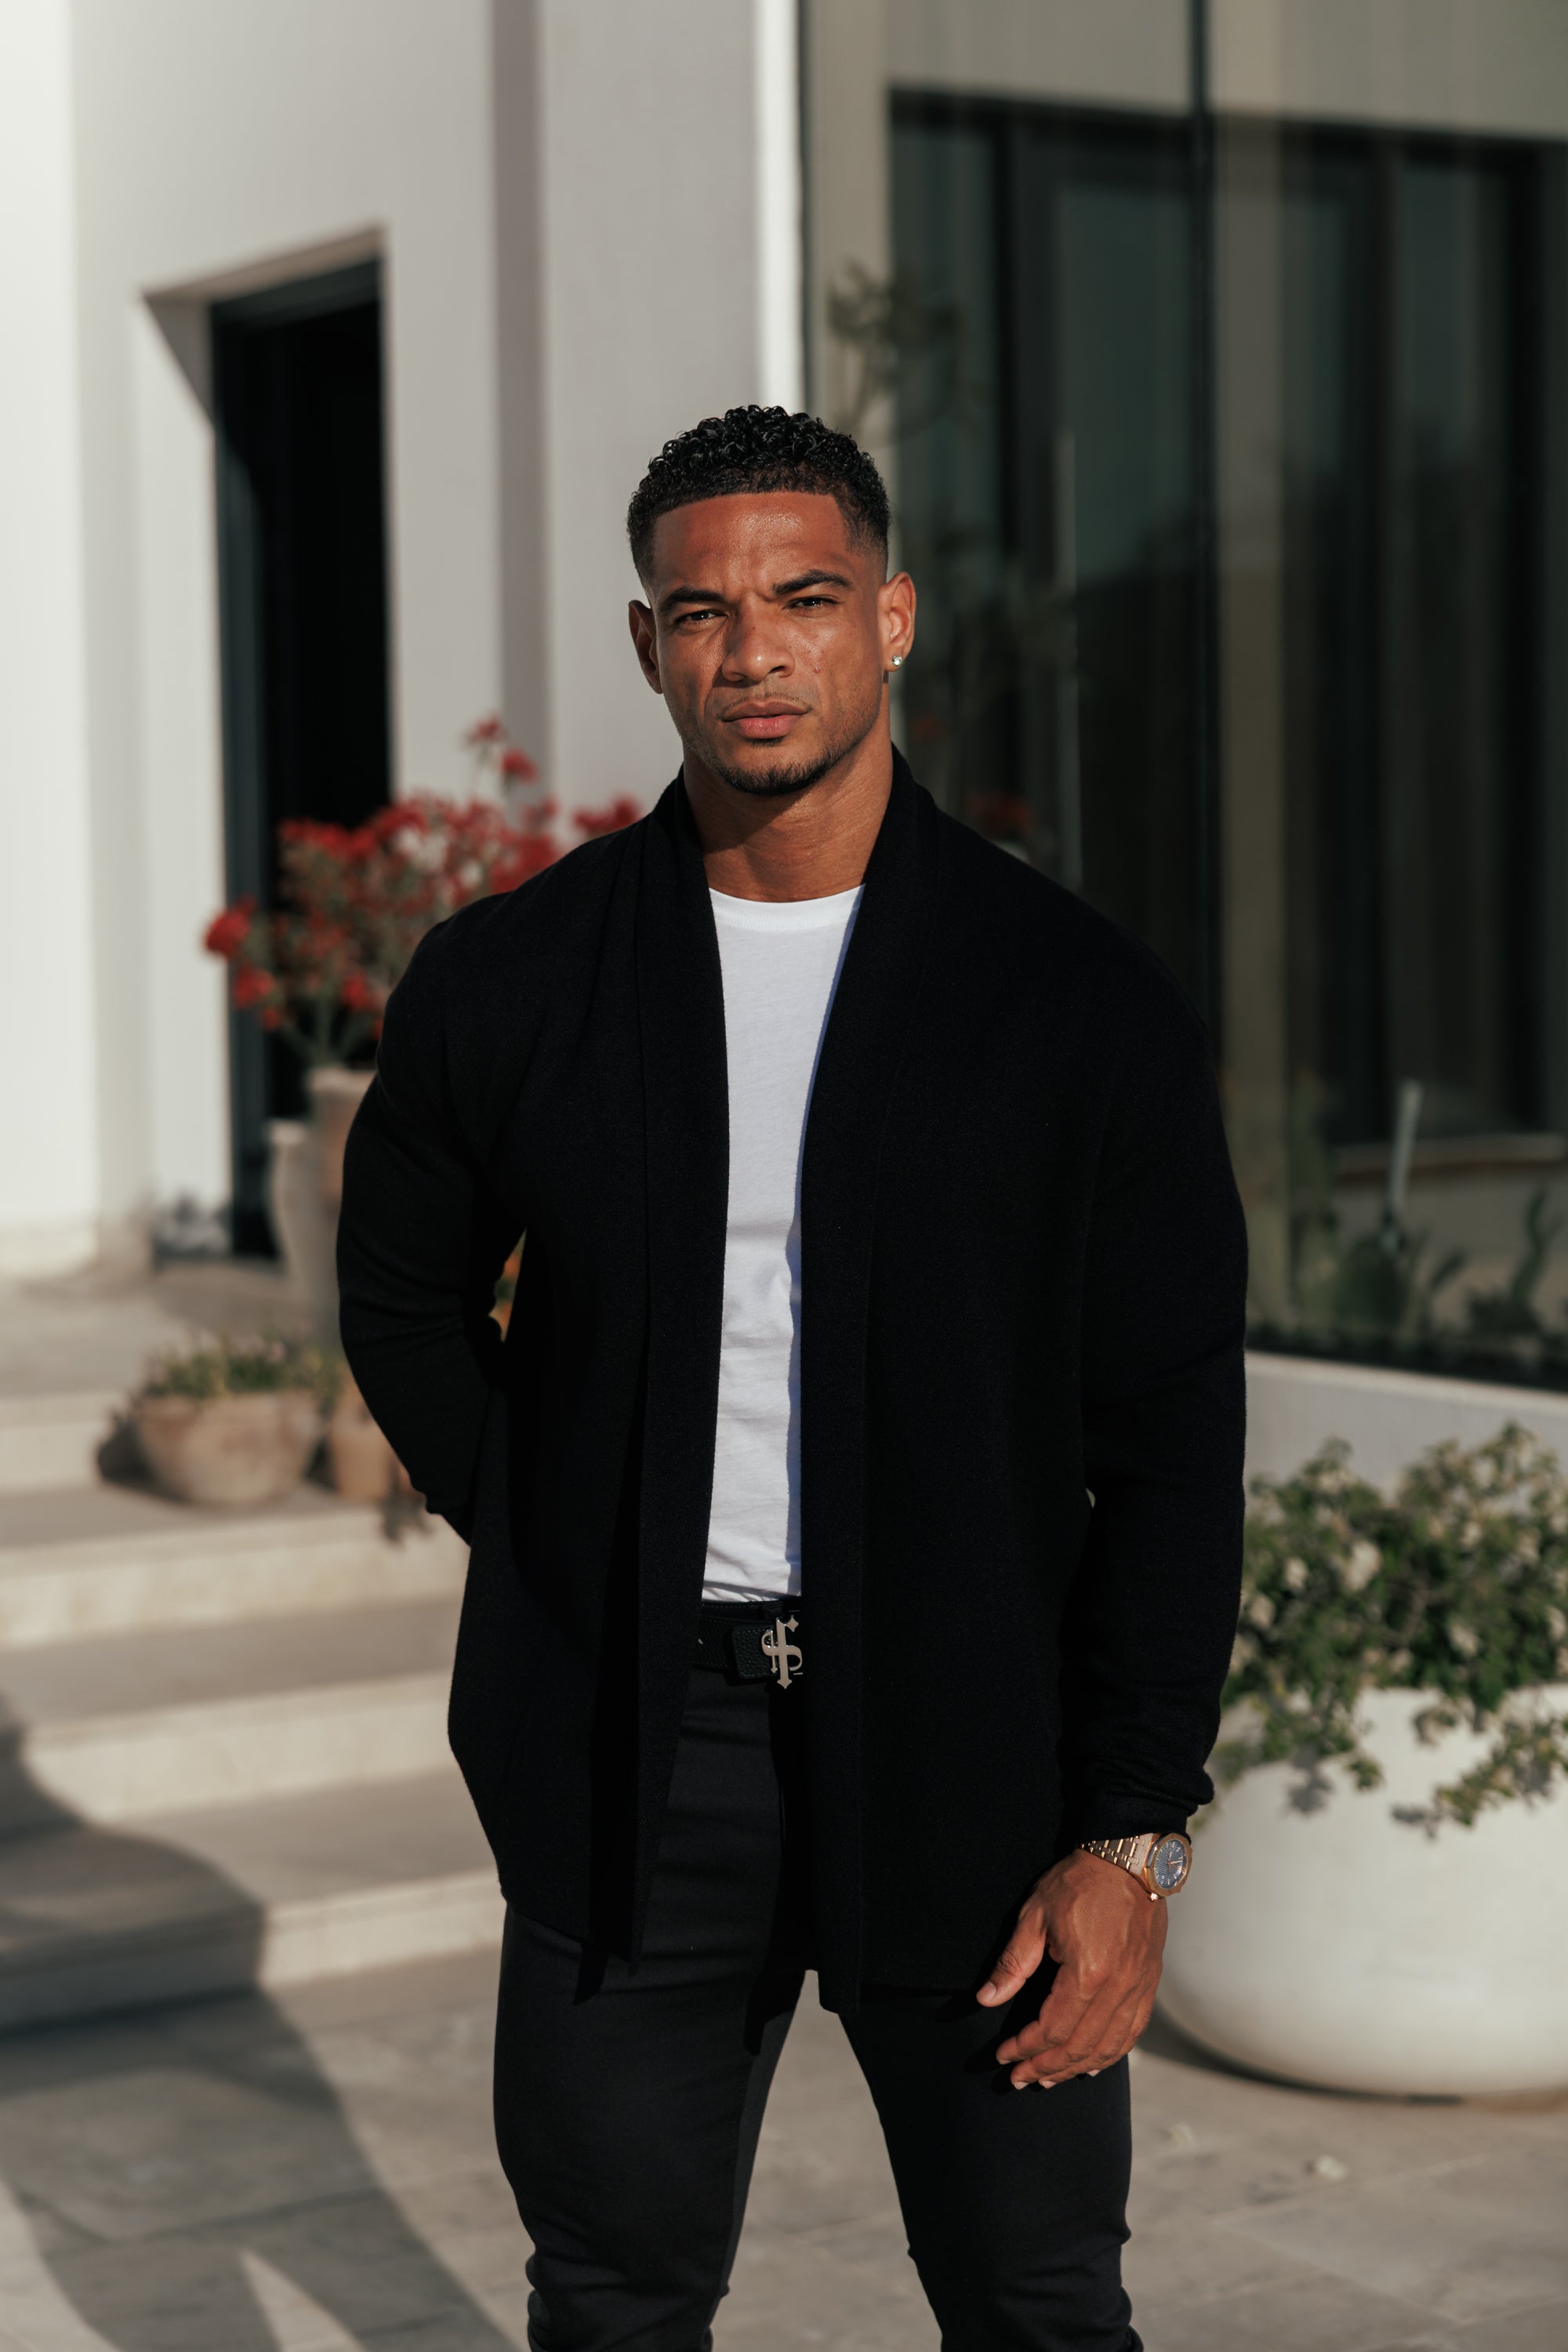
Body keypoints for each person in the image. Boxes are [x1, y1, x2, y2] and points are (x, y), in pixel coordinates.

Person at [338, 405, 1247, 2352]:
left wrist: (1129, 1828)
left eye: (805, 597)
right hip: (634, 1753)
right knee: (610, 2294)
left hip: (971, 1735)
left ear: (894, 618)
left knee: (1036, 2292)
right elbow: (403, 1299)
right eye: (700, 611)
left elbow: (1172, 1449)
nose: (751, 650)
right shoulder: (518, 981)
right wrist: (568, 1523)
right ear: (647, 643)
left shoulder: (1070, 1002)